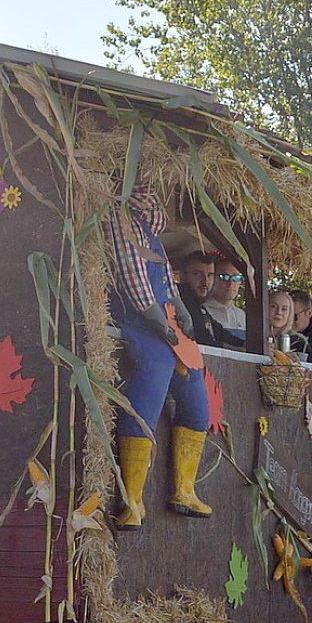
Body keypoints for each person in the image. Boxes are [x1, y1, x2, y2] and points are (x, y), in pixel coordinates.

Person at [109, 184, 212, 529]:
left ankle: (185, 488)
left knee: (195, 386)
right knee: (155, 369)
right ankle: (133, 500)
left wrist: (178, 305)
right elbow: (131, 275)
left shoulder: (148, 227)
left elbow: (162, 273)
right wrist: (154, 316)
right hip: (138, 319)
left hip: (164, 318)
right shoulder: (118, 217)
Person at [172, 251, 234, 349]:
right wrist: (238, 350)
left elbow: (219, 332)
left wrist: (244, 344)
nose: (205, 281)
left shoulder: (198, 304)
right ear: (182, 276)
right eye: (197, 274)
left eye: (210, 275)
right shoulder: (181, 300)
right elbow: (202, 339)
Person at [204, 255, 248, 345]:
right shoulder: (202, 311)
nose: (231, 283)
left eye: (236, 278)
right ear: (211, 278)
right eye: (224, 277)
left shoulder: (243, 316)